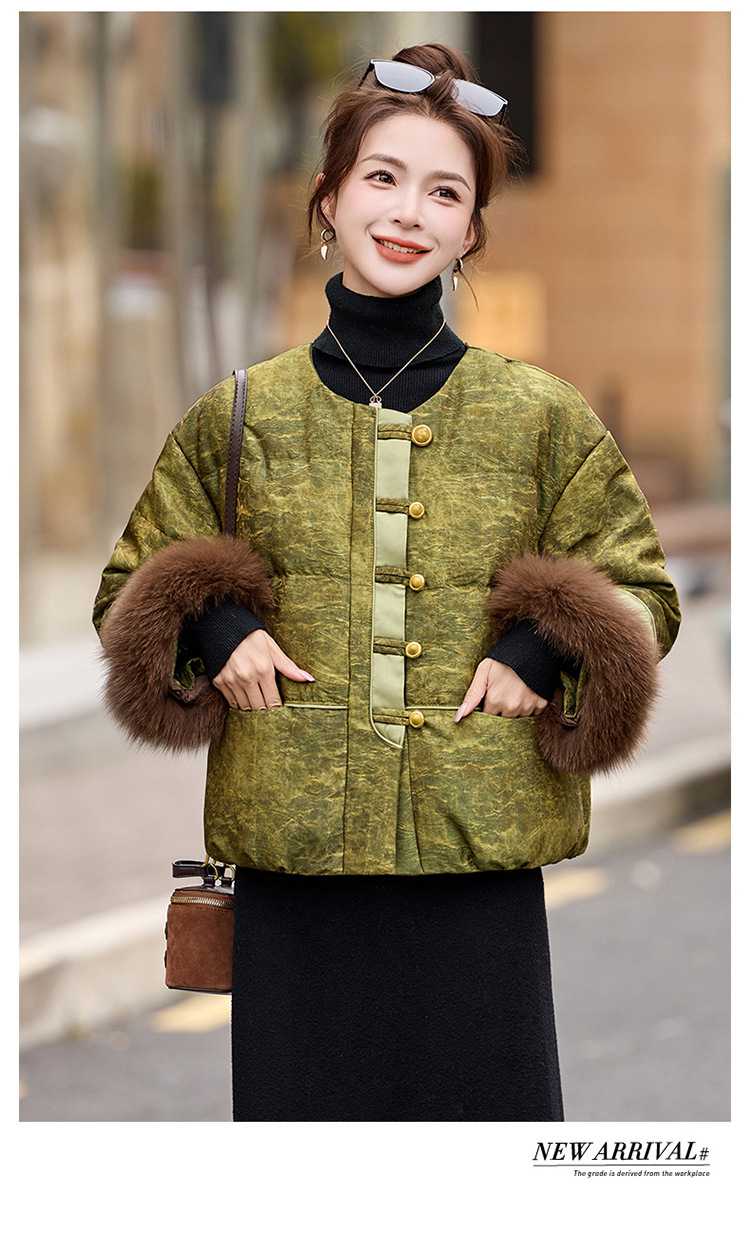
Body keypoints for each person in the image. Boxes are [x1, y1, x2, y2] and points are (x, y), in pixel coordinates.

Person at [93, 43, 681, 1122]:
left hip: (478, 866)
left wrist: (542, 645)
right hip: (295, 877)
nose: (410, 211)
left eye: (445, 192)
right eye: (383, 177)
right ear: (329, 199)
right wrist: (216, 626)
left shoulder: (541, 417)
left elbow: (643, 588)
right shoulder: (238, 416)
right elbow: (130, 585)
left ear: (473, 230)